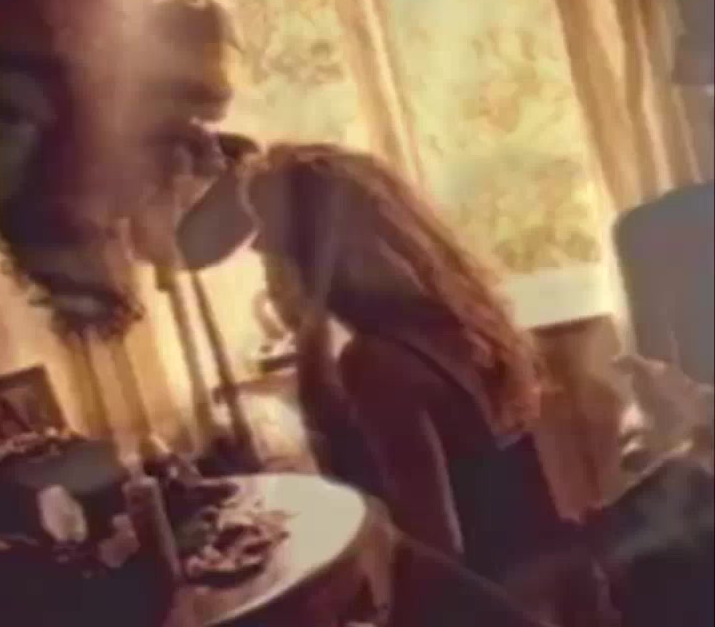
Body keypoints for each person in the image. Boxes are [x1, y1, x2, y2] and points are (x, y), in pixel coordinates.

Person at [177, 143, 612, 627]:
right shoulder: (451, 324)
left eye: (270, 236)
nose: (256, 248)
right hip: (552, 591)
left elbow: (437, 550)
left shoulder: (374, 364)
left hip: (492, 609)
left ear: (314, 251)